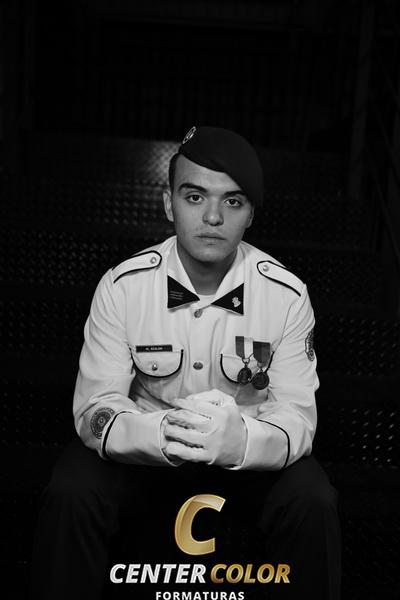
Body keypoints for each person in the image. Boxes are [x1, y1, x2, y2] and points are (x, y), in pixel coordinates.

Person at [30, 126, 341, 599]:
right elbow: (97, 409)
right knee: (72, 487)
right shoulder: (123, 287)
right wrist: (159, 436)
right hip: (146, 461)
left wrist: (242, 443)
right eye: (195, 197)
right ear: (167, 203)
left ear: (251, 214)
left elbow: (297, 416)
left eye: (232, 201)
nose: (213, 217)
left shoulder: (287, 296)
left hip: (244, 465)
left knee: (313, 497)